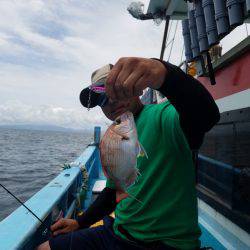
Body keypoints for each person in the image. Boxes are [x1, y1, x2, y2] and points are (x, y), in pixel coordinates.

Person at [37, 57, 220, 250]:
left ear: (135, 89)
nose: (112, 101)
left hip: (166, 244)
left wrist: (164, 75)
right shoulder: (112, 135)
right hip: (117, 232)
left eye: (118, 90)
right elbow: (114, 191)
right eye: (102, 98)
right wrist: (80, 223)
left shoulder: (164, 115)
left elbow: (206, 115)